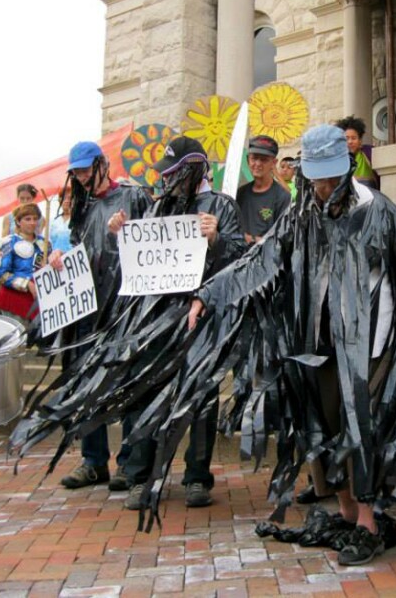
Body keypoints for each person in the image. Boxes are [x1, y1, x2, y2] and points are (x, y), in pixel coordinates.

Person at [186, 124, 396, 565]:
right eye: (317, 178)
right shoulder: (301, 213)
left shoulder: (378, 209)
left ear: (349, 168)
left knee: (360, 423)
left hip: (371, 341)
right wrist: (209, 293)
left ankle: (368, 522)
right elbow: (263, 258)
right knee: (326, 423)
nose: (325, 187)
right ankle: (349, 514)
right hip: (319, 340)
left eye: (332, 177)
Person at [109, 136, 246, 511]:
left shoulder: (221, 207)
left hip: (200, 319)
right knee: (145, 394)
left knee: (200, 397)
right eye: (163, 174)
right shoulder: (155, 210)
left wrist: (217, 238)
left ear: (192, 170)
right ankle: (141, 476)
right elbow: (133, 266)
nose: (165, 180)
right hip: (154, 320)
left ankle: (197, 477)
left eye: (172, 172)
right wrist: (120, 234)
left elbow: (240, 262)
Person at [48, 141, 152, 491]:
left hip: (124, 308)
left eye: (84, 170)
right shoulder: (81, 205)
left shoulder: (134, 197)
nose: (80, 177)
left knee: (126, 384)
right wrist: (60, 259)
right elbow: (79, 247)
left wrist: (127, 232)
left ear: (102, 164)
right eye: (75, 172)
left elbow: (153, 244)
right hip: (88, 311)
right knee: (87, 384)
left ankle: (129, 462)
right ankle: (93, 462)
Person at [0, 204, 49, 323]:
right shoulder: (8, 242)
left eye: (35, 219)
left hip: (38, 299)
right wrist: (27, 284)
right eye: (27, 219)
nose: (32, 222)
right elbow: (0, 274)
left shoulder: (45, 243)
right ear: (18, 221)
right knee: (16, 338)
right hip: (13, 300)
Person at [236, 135, 291, 243]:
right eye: (254, 158)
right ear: (248, 160)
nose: (258, 164)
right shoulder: (240, 194)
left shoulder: (282, 197)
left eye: (264, 160)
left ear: (273, 163)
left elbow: (283, 240)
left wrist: (252, 240)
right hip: (240, 257)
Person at [335, 115, 379, 189]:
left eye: (354, 138)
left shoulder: (369, 153)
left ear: (360, 141)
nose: (350, 142)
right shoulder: (337, 160)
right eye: (346, 138)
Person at [48, 184, 73, 254]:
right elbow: (47, 243)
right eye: (64, 198)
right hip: (56, 261)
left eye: (70, 198)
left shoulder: (80, 220)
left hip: (74, 259)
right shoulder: (53, 221)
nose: (67, 201)